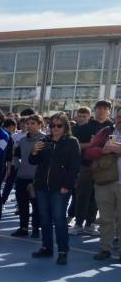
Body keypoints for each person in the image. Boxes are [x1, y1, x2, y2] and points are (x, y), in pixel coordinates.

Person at [28, 112, 80, 264]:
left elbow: (74, 167)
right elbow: (33, 161)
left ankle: (63, 250)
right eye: (52, 126)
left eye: (59, 126)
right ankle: (47, 247)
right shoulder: (44, 140)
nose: (55, 129)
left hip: (61, 188)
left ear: (65, 127)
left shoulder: (72, 142)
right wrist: (34, 151)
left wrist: (67, 186)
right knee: (44, 218)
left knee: (59, 219)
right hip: (42, 186)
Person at [84, 106, 121, 262]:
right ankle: (105, 248)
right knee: (106, 219)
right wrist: (103, 151)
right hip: (105, 182)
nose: (120, 120)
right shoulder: (105, 132)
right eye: (119, 117)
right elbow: (88, 153)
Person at [70, 101, 112, 236]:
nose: (101, 111)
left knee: (98, 196)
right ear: (95, 110)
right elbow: (76, 145)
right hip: (86, 164)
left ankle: (91, 223)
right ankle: (78, 223)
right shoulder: (86, 126)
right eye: (99, 108)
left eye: (104, 108)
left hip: (105, 167)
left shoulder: (112, 127)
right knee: (82, 194)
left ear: (109, 111)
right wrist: (92, 144)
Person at [11, 114, 45, 237]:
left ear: (40, 125)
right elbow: (16, 154)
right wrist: (17, 166)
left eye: (33, 123)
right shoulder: (23, 140)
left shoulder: (44, 140)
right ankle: (23, 228)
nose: (29, 126)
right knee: (22, 204)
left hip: (36, 179)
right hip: (21, 176)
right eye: (28, 123)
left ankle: (36, 228)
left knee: (36, 205)